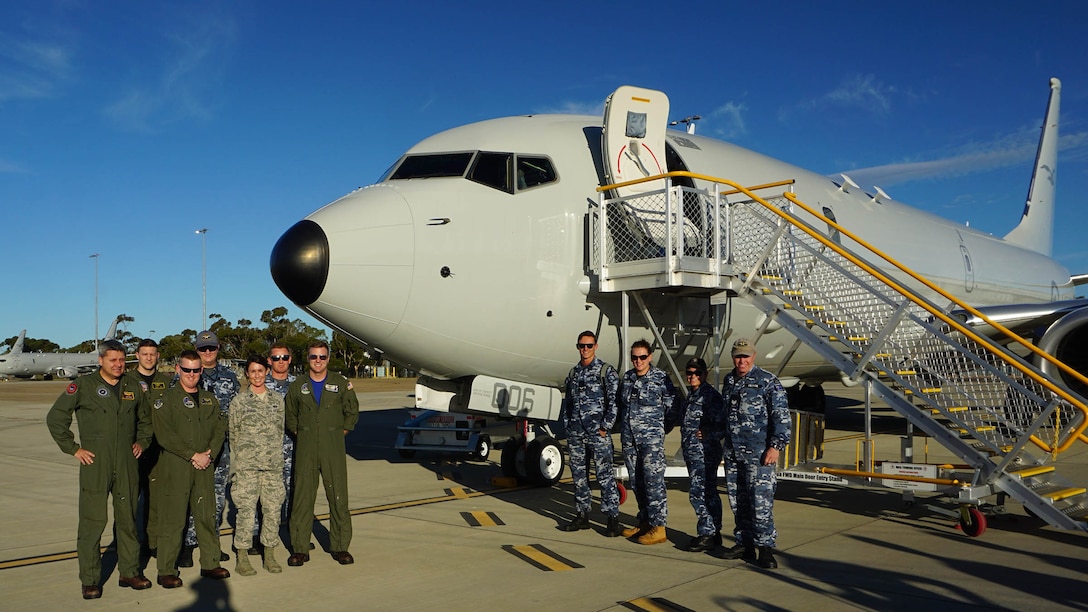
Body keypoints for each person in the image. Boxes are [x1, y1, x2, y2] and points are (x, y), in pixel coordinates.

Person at [46, 340, 154, 599]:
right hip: (96, 464)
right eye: (112, 360)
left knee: (127, 520)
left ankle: (129, 571)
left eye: (121, 360)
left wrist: (142, 441)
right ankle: (91, 579)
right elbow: (56, 418)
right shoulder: (83, 386)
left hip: (127, 463)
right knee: (93, 523)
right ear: (100, 360)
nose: (118, 365)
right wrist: (74, 449)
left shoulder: (133, 386)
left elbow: (146, 420)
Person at [151, 350, 230, 587]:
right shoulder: (165, 400)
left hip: (204, 466)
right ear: (178, 369)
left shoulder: (209, 399)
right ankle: (166, 569)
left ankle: (210, 563)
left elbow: (219, 428)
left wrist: (209, 454)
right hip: (177, 466)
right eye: (187, 370)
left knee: (206, 516)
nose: (192, 375)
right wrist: (192, 455)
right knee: (173, 519)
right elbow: (164, 435)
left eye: (196, 370)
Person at [716, 338, 790, 569]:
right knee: (738, 500)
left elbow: (781, 417)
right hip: (734, 452)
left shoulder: (767, 382)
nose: (742, 360)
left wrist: (775, 447)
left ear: (754, 356)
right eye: (738, 356)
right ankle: (744, 543)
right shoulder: (729, 381)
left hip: (759, 454)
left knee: (761, 502)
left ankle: (765, 548)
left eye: (746, 356)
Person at [285, 340, 359, 566]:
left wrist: (335, 434)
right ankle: (299, 548)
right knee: (302, 499)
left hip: (332, 448)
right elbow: (291, 418)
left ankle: (339, 547)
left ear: (328, 358)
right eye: (313, 357)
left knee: (338, 497)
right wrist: (308, 435)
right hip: (306, 447)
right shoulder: (298, 385)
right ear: (307, 359)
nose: (318, 361)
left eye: (322, 357)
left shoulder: (340, 383)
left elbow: (352, 412)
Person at [178, 330, 240, 567]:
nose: (207, 353)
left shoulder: (230, 377)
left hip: (219, 448)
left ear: (218, 348)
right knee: (190, 497)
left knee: (215, 499)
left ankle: (210, 543)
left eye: (211, 348)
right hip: (191, 449)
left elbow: (233, 413)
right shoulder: (187, 374)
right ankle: (187, 544)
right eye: (203, 349)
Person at [558, 331, 623, 537]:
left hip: (598, 433)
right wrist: (568, 427)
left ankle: (612, 518)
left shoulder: (605, 371)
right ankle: (582, 514)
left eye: (588, 345)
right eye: (581, 346)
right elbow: (568, 402)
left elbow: (615, 403)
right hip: (576, 433)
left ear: (596, 346)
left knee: (604, 476)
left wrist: (605, 427)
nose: (585, 349)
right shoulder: (574, 373)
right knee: (579, 476)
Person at [230, 356, 286, 575]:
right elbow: (233, 433)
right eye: (252, 371)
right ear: (247, 374)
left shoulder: (277, 400)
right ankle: (242, 556)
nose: (256, 375)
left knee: (272, 511)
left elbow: (280, 430)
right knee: (245, 512)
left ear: (266, 372)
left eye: (260, 371)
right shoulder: (239, 402)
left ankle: (269, 555)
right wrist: (244, 458)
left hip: (272, 466)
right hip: (247, 468)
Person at [618, 339, 677, 545]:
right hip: (630, 440)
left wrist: (660, 430)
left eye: (642, 357)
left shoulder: (660, 378)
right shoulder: (627, 379)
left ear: (650, 357)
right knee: (637, 481)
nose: (638, 361)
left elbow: (672, 407)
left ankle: (659, 526)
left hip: (650, 440)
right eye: (634, 357)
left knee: (654, 482)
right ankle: (645, 521)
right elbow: (621, 406)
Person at [667, 358, 726, 552]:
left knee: (700, 492)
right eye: (689, 373)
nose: (692, 376)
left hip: (705, 453)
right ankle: (712, 532)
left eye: (697, 373)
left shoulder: (710, 396)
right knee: (706, 491)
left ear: (704, 374)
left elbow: (723, 425)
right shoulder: (692, 395)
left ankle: (708, 533)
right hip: (693, 453)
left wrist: (710, 433)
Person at [127, 338, 173, 558]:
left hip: (159, 448)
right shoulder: (126, 380)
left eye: (152, 354)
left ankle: (151, 542)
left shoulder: (165, 381)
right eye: (144, 354)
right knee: (128, 499)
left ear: (157, 356)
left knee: (155, 500)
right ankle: (126, 543)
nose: (148, 357)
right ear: (137, 355)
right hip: (134, 448)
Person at [265, 342, 297, 526]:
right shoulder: (261, 385)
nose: (281, 361)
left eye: (285, 357)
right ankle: (261, 535)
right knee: (267, 495)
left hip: (293, 449)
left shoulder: (299, 385)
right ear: (270, 361)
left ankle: (295, 533)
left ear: (290, 359)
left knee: (294, 492)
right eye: (276, 358)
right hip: (268, 451)